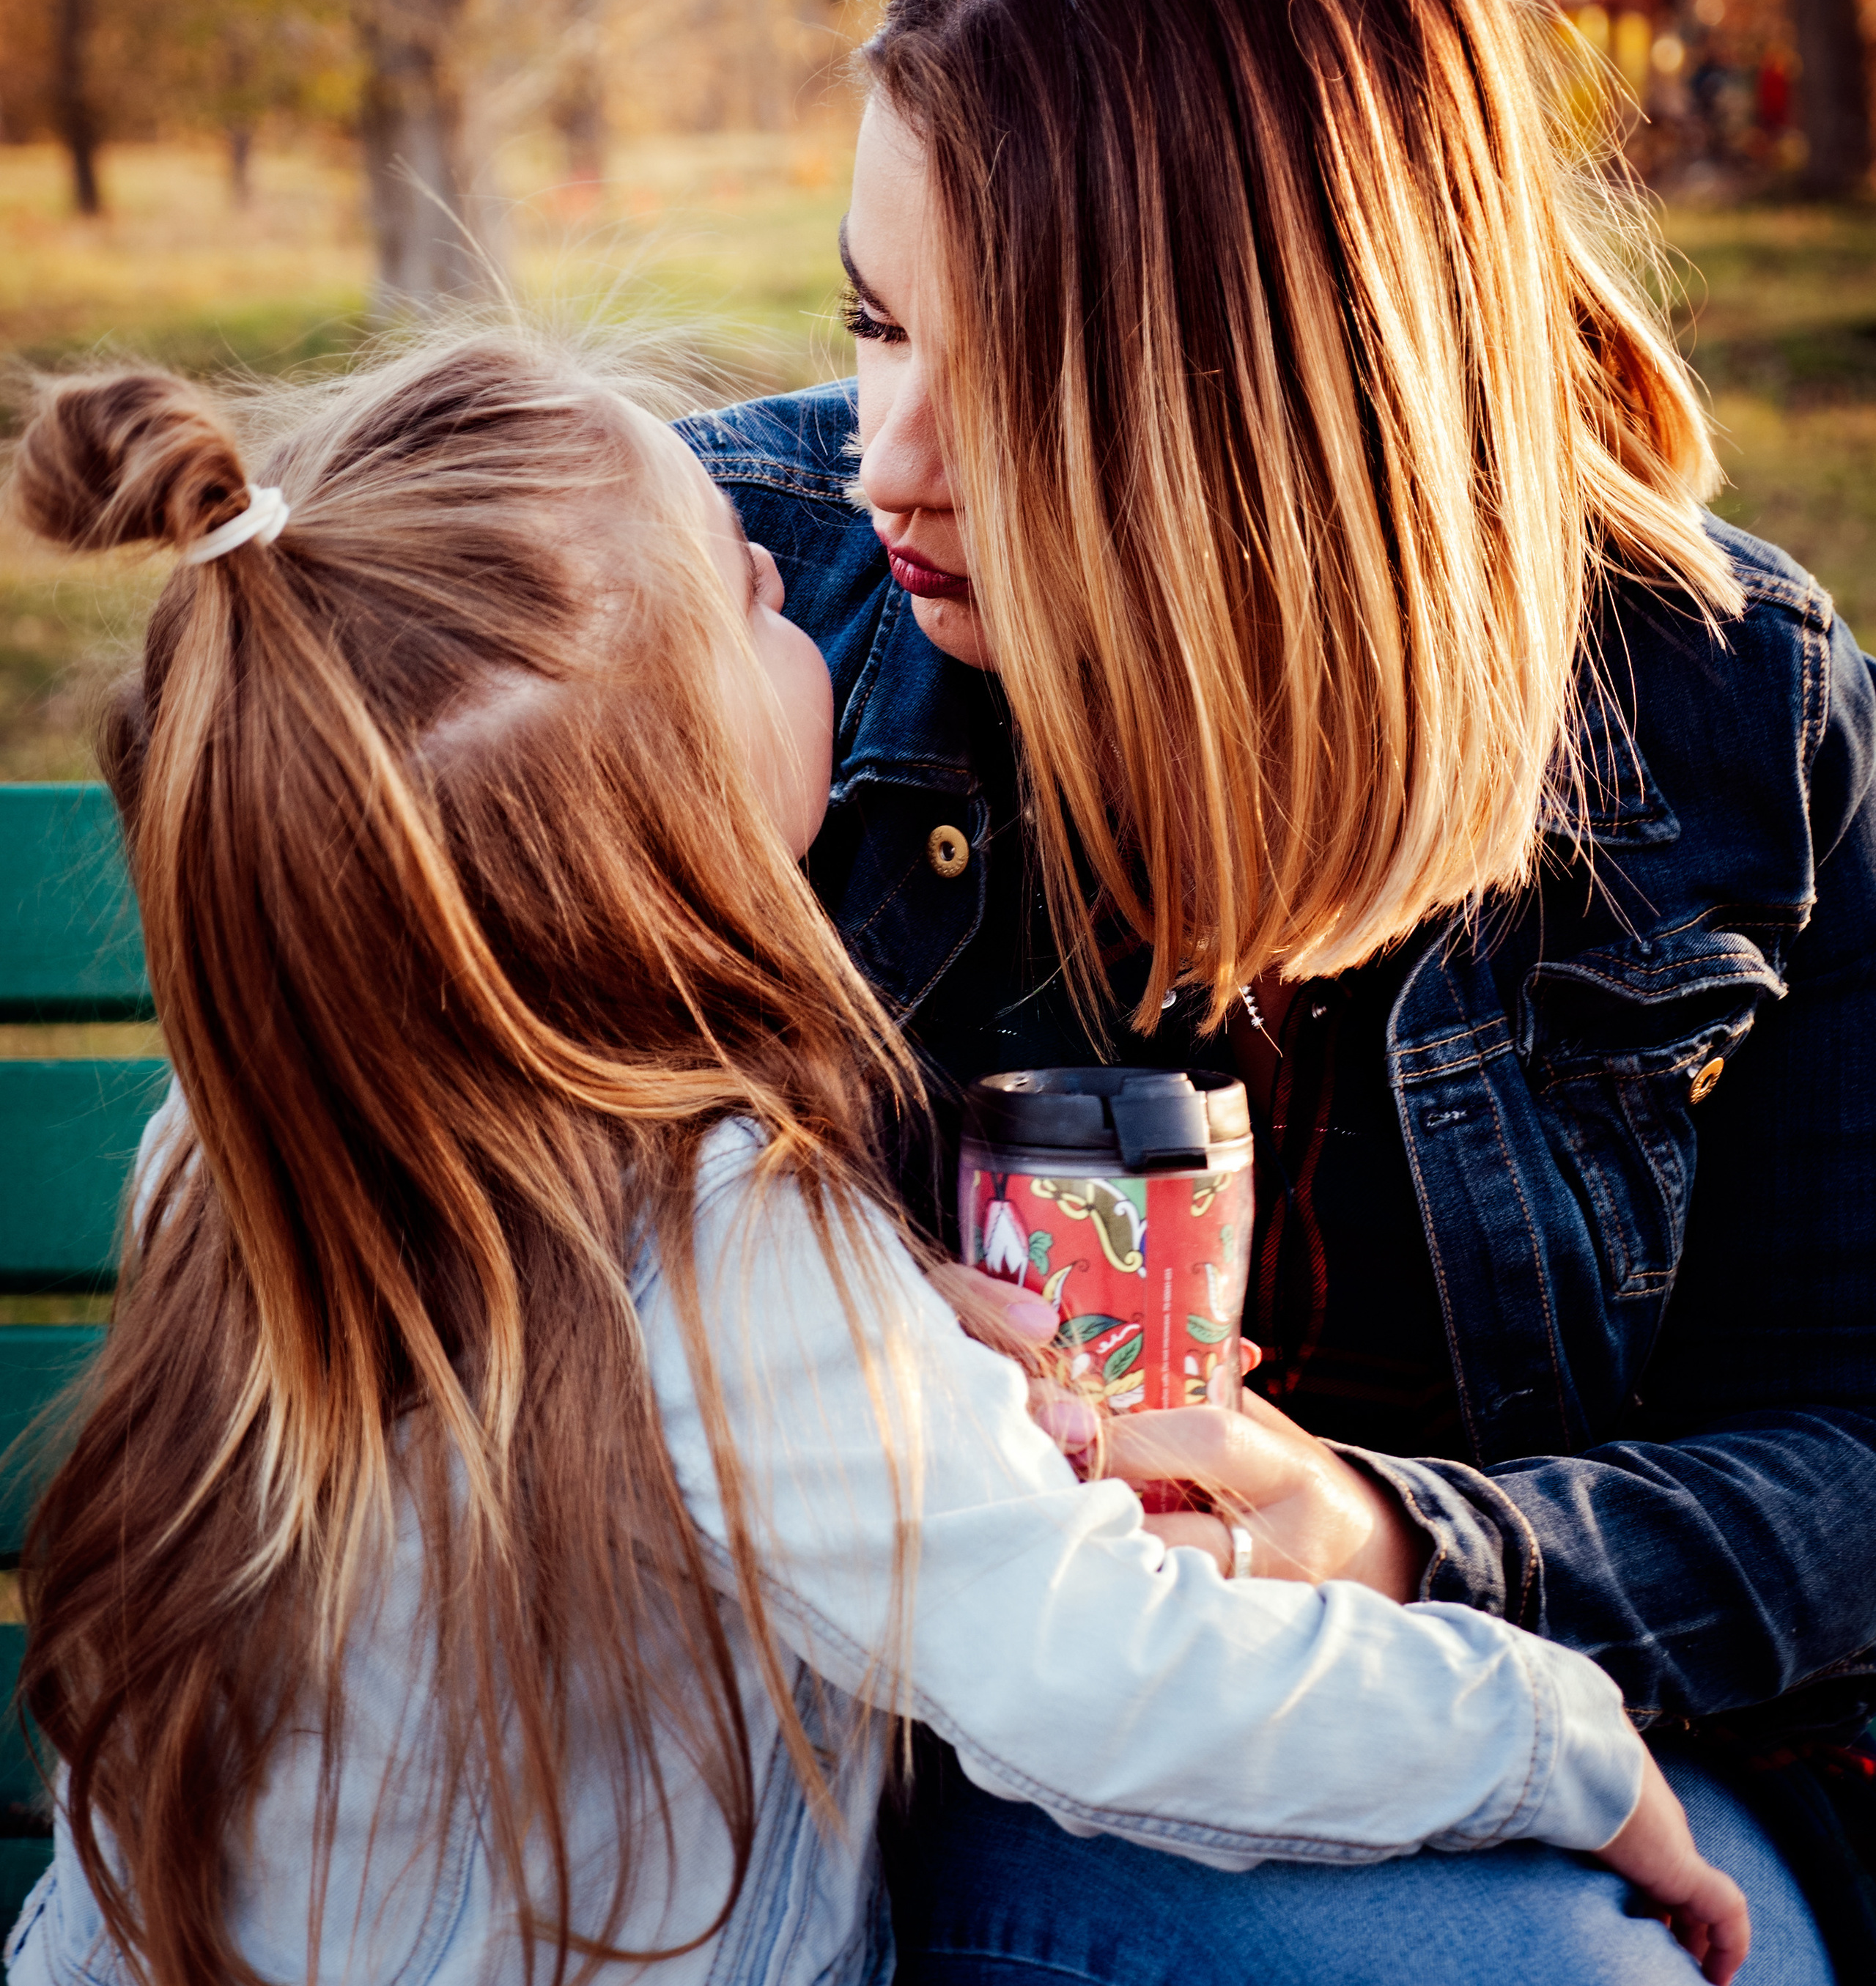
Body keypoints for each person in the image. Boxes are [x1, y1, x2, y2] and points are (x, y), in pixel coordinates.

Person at [3, 336, 1741, 1986]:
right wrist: (1547, 1740)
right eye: (757, 598)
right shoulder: (742, 1260)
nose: (806, 592)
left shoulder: (242, 1154)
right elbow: (1106, 1675)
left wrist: (884, 1311)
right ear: (666, 817)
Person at [676, 0, 1876, 1982]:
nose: (888, 456)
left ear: (1280, 406)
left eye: (1007, 369)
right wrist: (793, 1335)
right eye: (872, 326)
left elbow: (1859, 1457)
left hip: (1623, 1745)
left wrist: (1408, 1553)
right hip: (979, 1761)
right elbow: (402, 1220)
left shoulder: (1734, 720)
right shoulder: (721, 618)